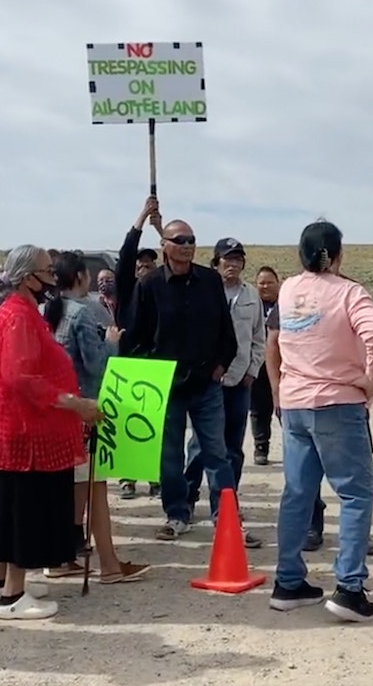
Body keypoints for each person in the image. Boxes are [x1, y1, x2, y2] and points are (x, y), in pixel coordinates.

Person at [269, 221, 373, 622]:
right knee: (356, 494)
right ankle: (349, 588)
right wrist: (370, 379)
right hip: (337, 402)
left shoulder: (288, 290)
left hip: (296, 403)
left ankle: (288, 581)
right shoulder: (349, 292)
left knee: (298, 493)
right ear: (337, 254)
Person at [0, 245, 102, 621]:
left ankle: (4, 582)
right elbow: (21, 378)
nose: (53, 277)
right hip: (26, 433)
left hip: (19, 430)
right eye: (47, 270)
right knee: (23, 511)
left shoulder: (20, 312)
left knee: (11, 507)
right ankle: (12, 594)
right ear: (28, 276)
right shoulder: (19, 317)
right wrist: (76, 404)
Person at [39, 251, 150, 584]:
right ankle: (110, 565)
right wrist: (111, 342)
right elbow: (97, 367)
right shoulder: (81, 315)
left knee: (72, 489)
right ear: (80, 277)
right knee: (95, 488)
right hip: (85, 410)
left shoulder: (45, 312)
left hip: (56, 411)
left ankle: (59, 557)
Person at [127, 219, 238, 541]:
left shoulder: (209, 281)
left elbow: (225, 330)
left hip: (207, 383)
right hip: (167, 387)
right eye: (180, 240)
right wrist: (150, 374)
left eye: (191, 240)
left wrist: (221, 364)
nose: (188, 245)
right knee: (170, 456)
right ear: (165, 245)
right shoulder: (149, 286)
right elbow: (136, 337)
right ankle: (177, 513)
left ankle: (225, 515)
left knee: (217, 453)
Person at [184, 238, 266, 548]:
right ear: (215, 263)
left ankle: (228, 508)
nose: (233, 264)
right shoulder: (205, 292)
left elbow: (258, 337)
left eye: (238, 259)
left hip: (239, 383)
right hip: (209, 383)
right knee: (200, 448)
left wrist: (252, 370)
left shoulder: (250, 297)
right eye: (227, 259)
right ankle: (188, 500)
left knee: (233, 448)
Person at [116, 196, 163, 500]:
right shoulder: (125, 288)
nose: (144, 267)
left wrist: (160, 228)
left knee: (155, 426)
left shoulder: (162, 288)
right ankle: (128, 477)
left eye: (149, 264)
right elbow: (126, 253)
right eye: (140, 264)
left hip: (156, 361)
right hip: (128, 360)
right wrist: (142, 217)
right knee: (128, 422)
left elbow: (178, 256)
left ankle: (155, 476)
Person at [251, 266, 281, 466]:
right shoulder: (252, 305)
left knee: (286, 407)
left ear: (277, 283)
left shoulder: (286, 304)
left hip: (283, 364)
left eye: (269, 282)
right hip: (259, 365)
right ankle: (261, 446)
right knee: (259, 409)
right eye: (261, 283)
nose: (265, 286)